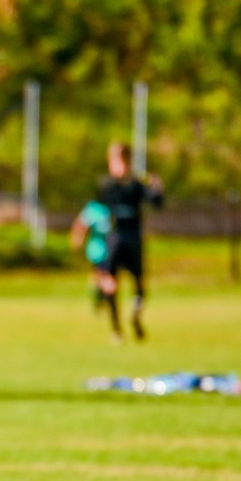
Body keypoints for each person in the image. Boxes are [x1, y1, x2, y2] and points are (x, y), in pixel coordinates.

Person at [95, 141, 163, 342]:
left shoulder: (133, 184)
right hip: (116, 240)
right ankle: (117, 327)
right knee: (111, 283)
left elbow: (156, 202)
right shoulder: (110, 184)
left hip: (128, 239)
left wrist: (156, 187)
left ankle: (132, 317)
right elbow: (96, 209)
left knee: (136, 283)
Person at [70, 199, 114, 318]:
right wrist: (77, 239)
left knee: (100, 276)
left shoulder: (110, 206)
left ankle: (100, 296)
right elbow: (81, 224)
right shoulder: (93, 209)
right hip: (98, 250)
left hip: (110, 249)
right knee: (102, 275)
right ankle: (101, 298)